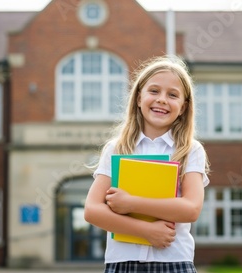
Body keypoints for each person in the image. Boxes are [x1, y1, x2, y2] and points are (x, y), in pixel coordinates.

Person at [84, 55, 210, 273]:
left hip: (173, 262)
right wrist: (145, 230)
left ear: (183, 107)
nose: (162, 99)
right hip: (122, 263)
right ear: (138, 97)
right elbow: (92, 210)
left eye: (172, 95)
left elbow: (191, 209)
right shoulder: (115, 149)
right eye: (154, 91)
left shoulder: (191, 151)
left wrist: (131, 203)